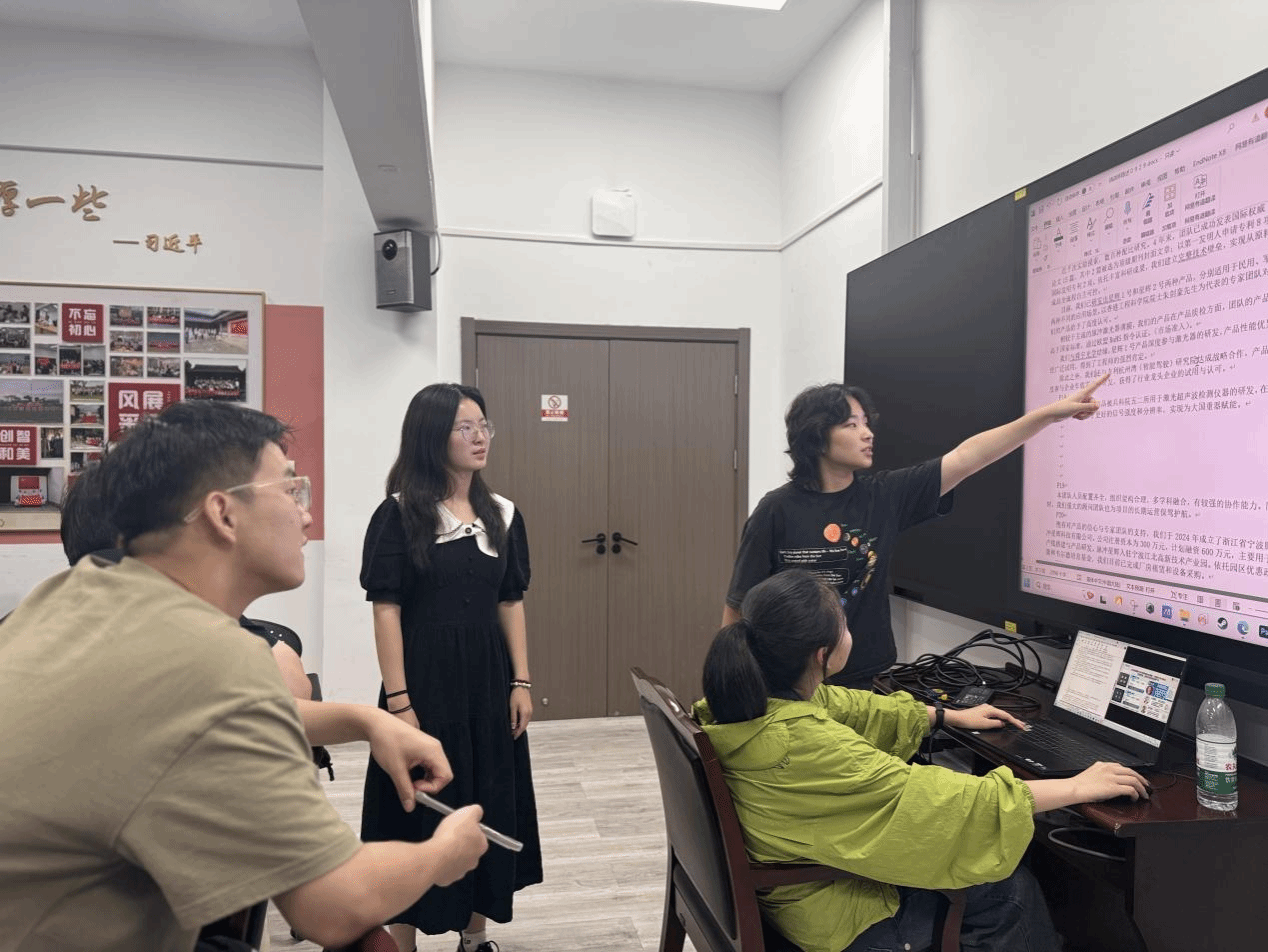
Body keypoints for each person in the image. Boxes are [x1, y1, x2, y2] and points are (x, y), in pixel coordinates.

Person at [0, 400, 489, 951]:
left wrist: (366, 720)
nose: (307, 515)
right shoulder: (213, 658)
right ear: (223, 513)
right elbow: (332, 906)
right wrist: (442, 854)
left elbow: (186, 714)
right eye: (291, 489)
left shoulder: (69, 598)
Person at [697, 569, 1151, 952]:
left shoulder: (749, 703)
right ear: (822, 655)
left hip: (793, 888)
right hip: (839, 917)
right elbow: (936, 802)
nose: (850, 632)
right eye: (844, 624)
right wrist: (1076, 787)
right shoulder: (806, 745)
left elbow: (854, 707)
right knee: (1009, 891)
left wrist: (946, 715)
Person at [723, 374, 1109, 688]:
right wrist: (730, 685)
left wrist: (1049, 415)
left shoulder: (884, 496)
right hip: (791, 683)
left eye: (866, 423)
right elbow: (739, 605)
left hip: (865, 678)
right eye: (851, 425)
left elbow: (970, 456)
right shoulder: (776, 510)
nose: (867, 433)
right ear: (816, 436)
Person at [361, 383, 543, 952]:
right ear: (431, 437)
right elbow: (386, 609)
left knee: (486, 796)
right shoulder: (399, 514)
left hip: (488, 681)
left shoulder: (503, 514)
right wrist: (399, 702)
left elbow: (510, 600)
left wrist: (521, 681)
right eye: (465, 427)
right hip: (423, 682)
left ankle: (475, 934)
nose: (480, 437)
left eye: (484, 425)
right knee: (413, 805)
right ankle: (403, 939)